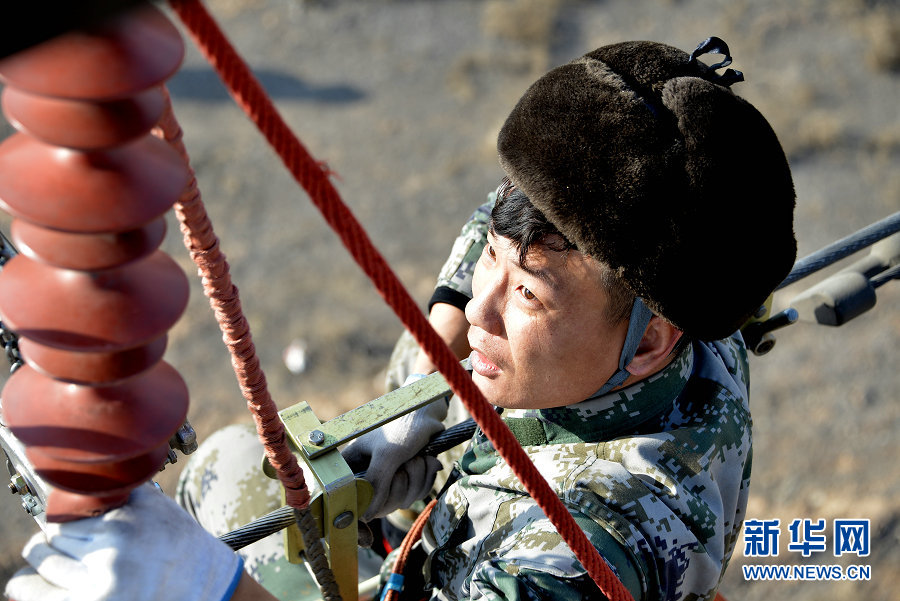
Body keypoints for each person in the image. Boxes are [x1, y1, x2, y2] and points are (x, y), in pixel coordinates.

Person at [5, 38, 796, 601]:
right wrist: (444, 335)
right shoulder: (692, 275)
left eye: (526, 295)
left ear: (652, 341)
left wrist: (206, 587)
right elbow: (507, 214)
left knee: (225, 475)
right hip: (443, 525)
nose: (487, 302)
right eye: (492, 259)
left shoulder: (582, 554)